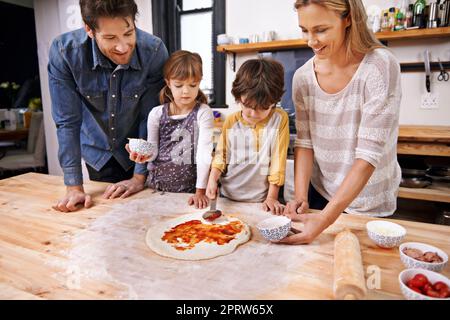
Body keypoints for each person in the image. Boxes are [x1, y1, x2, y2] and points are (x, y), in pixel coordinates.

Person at [281, 0, 402, 244]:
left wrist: (325, 220)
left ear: (347, 19)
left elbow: (368, 155)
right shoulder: (303, 77)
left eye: (321, 29)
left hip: (367, 200)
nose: (311, 41)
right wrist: (300, 196)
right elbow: (304, 142)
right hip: (321, 192)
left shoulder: (379, 66)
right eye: (305, 30)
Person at [48, 0, 168, 212]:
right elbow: (67, 122)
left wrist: (138, 177)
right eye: (110, 38)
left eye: (129, 33)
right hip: (98, 152)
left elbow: (149, 118)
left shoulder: (154, 50)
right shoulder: (64, 52)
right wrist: (74, 187)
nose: (122, 47)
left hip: (138, 151)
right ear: (89, 29)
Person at [127, 50, 214, 209]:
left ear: (199, 82)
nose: (186, 91)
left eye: (192, 85)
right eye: (179, 85)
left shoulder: (203, 112)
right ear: (168, 83)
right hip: (158, 188)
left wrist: (200, 191)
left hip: (191, 191)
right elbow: (153, 152)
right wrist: (143, 155)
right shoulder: (157, 113)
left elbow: (204, 153)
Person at [206, 59, 290, 214]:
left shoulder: (279, 119)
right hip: (227, 197)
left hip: (261, 201)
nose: (253, 113)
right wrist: (212, 179)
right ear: (238, 97)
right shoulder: (231, 121)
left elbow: (278, 161)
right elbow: (221, 156)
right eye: (247, 106)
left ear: (274, 101)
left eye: (263, 108)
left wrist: (272, 197)